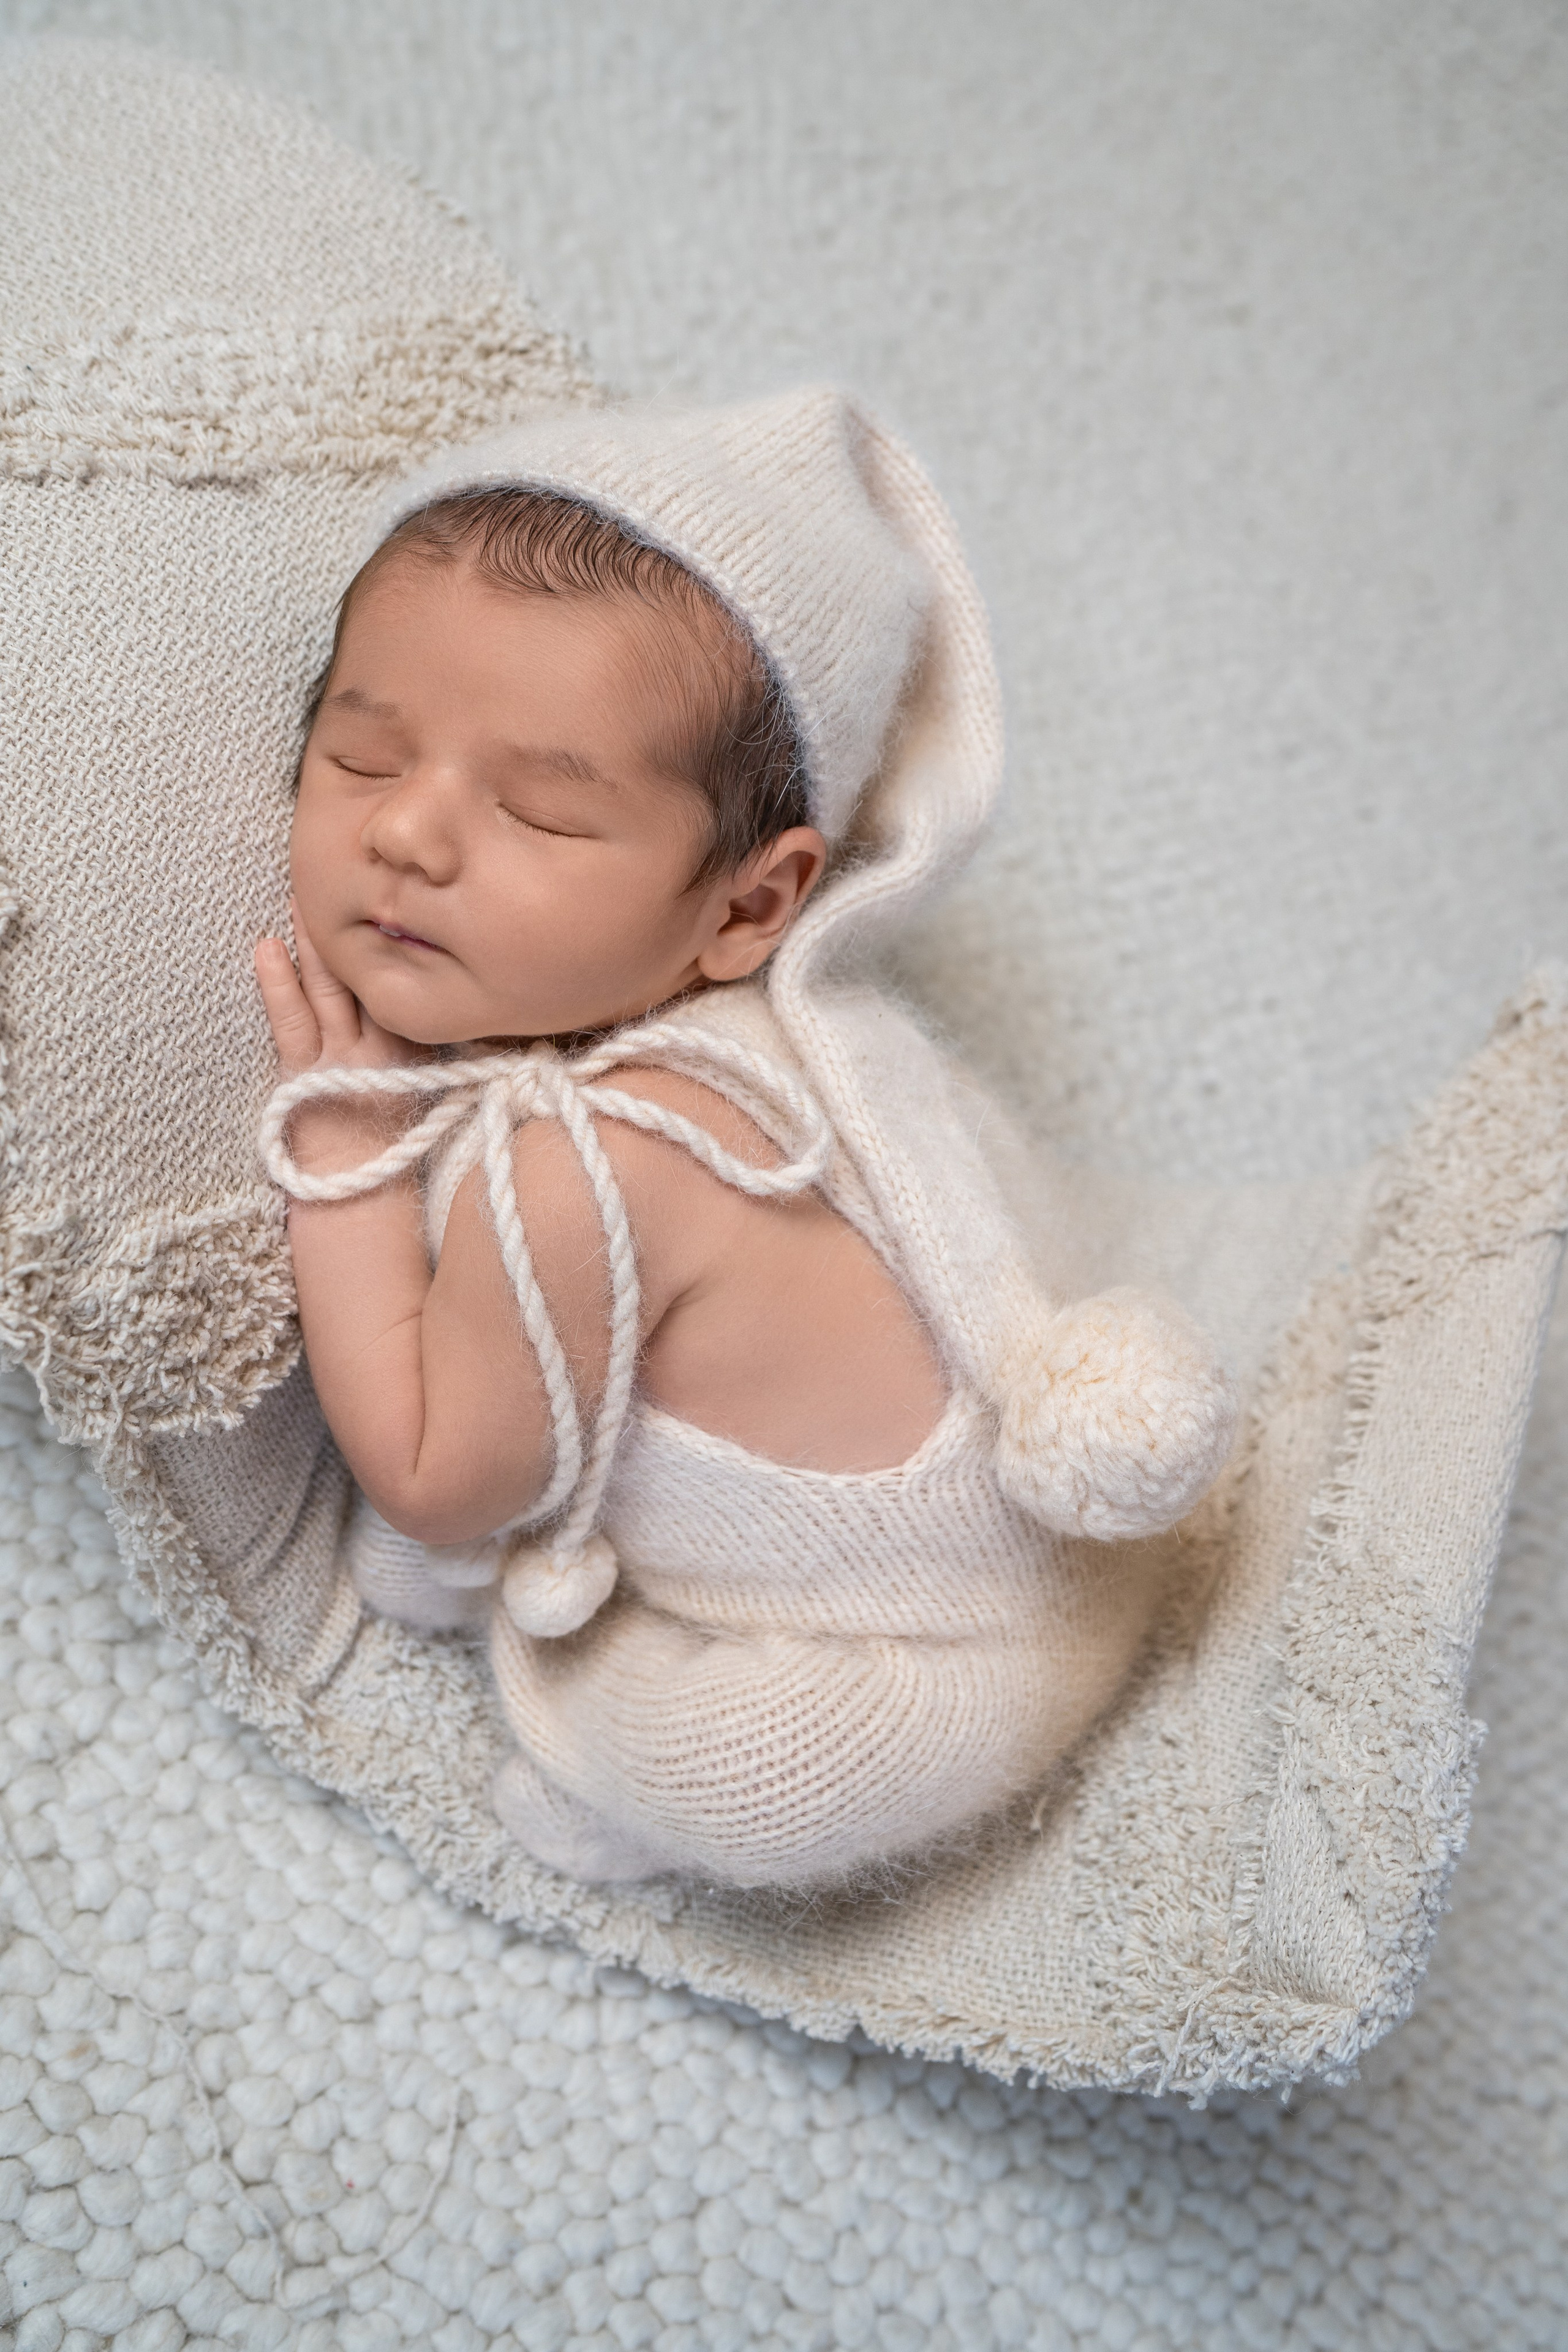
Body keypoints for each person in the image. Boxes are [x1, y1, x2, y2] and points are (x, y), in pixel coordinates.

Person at [257, 391, 1235, 1888]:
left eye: (539, 813)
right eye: (363, 759)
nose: (409, 836)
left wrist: (338, 1159)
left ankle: (625, 1754)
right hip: (1053, 1497)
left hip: (921, 1640)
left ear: (750, 907)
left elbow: (434, 1476)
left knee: (760, 1780)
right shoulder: (812, 1030)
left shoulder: (589, 1162)